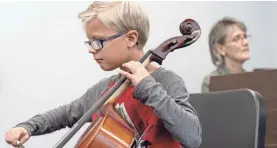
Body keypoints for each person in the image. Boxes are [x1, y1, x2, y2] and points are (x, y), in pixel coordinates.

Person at [5, 1, 202, 148]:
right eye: (89, 42)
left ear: (131, 38)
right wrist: (28, 127)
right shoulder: (107, 88)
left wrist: (148, 87)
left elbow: (192, 136)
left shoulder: (165, 81)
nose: (92, 49)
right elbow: (67, 113)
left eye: (98, 41)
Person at [201, 16, 250, 93]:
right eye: (236, 38)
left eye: (245, 37)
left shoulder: (253, 79)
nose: (246, 42)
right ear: (221, 49)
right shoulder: (211, 81)